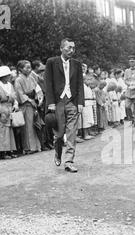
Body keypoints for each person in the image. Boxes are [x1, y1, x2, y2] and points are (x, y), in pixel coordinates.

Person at [45, 38, 85, 173]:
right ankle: (57, 152)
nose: (71, 51)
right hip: (57, 103)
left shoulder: (77, 64)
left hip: (72, 102)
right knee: (59, 134)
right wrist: (50, 103)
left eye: (73, 48)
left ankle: (69, 161)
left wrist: (80, 102)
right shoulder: (52, 62)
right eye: (68, 48)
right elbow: (48, 84)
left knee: (72, 132)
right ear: (61, 48)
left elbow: (80, 84)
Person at [0, 66, 19, 159]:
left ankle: (10, 150)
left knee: (9, 131)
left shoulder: (10, 85)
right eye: (7, 75)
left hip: (9, 108)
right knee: (1, 131)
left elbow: (14, 96)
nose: (8, 76)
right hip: (1, 109)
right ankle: (2, 152)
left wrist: (15, 104)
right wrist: (0, 112)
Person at [14, 60, 42, 154]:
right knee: (27, 126)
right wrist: (30, 100)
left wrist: (38, 97)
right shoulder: (18, 80)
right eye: (27, 68)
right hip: (25, 104)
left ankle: (36, 146)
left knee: (34, 125)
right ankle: (28, 147)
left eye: (30, 67)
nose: (29, 69)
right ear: (20, 69)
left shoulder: (31, 78)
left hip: (33, 102)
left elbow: (37, 88)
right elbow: (19, 93)